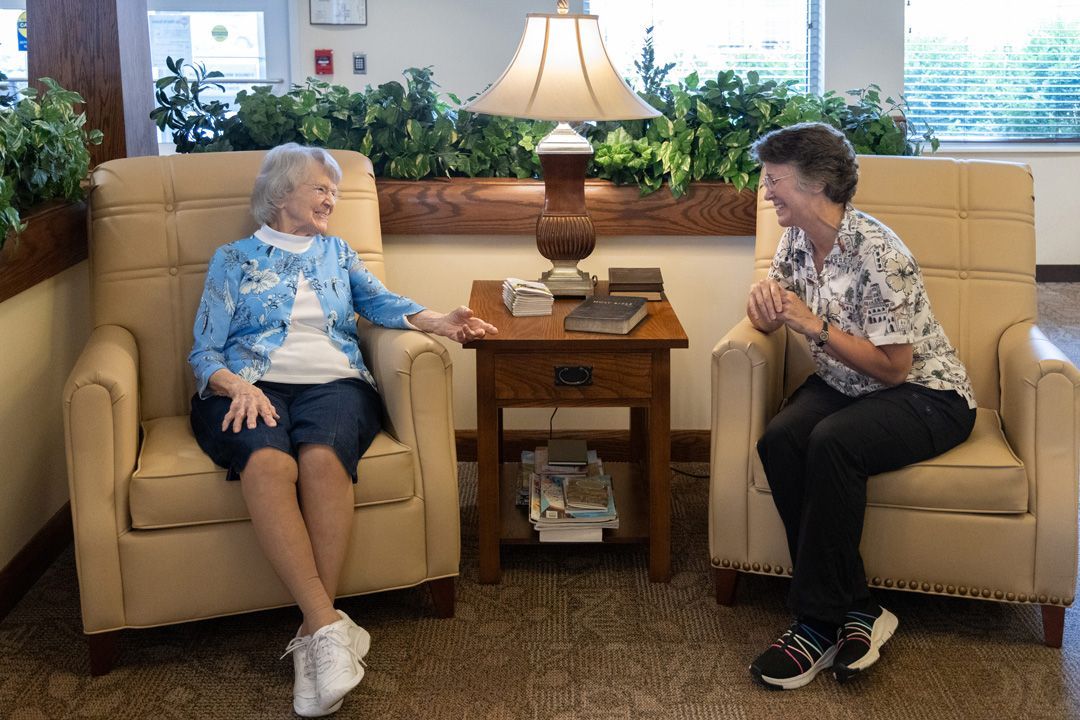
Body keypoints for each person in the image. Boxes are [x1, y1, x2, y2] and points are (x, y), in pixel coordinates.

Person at [188, 143, 497, 717]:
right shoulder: (232, 258)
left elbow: (379, 303)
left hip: (335, 382)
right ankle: (328, 628)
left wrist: (438, 321)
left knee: (323, 460)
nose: (332, 197)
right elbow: (204, 350)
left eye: (334, 189)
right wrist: (238, 386)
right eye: (320, 188)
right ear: (281, 194)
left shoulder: (337, 252)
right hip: (251, 387)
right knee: (269, 463)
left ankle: (313, 634)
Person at [744, 123, 977, 690]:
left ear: (817, 183)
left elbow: (895, 366)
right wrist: (763, 310)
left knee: (833, 442)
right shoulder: (795, 236)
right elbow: (773, 311)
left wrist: (808, 321)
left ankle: (816, 623)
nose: (766, 191)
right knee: (781, 438)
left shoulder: (879, 251)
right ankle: (859, 608)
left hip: (925, 394)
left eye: (774, 180)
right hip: (847, 382)